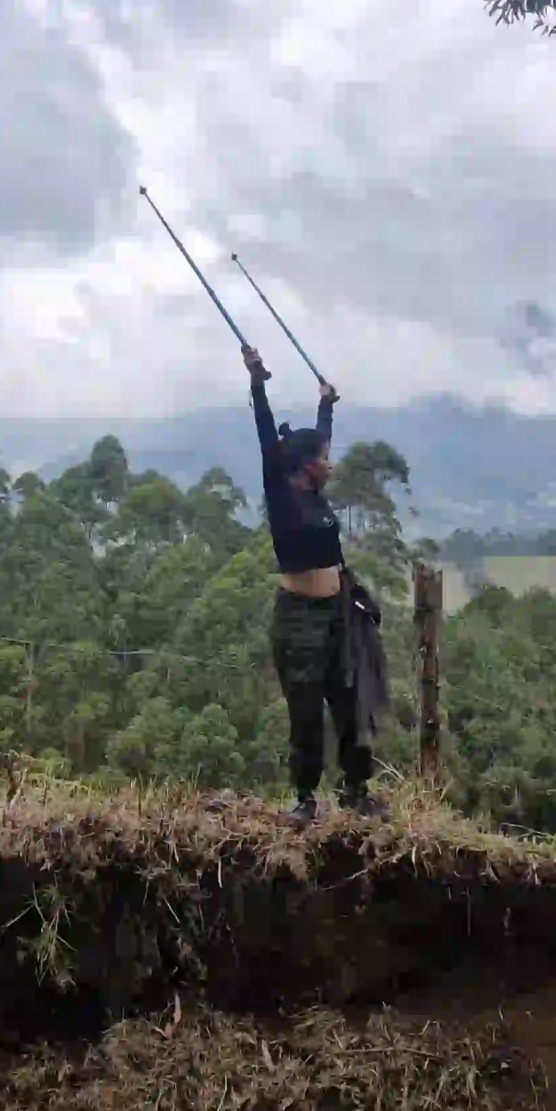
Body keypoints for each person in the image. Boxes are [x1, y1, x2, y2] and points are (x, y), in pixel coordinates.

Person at [244, 342, 384, 828]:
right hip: (299, 618)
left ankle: (356, 790)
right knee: (306, 711)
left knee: (350, 699)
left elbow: (317, 436)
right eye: (324, 457)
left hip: (337, 612)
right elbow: (267, 437)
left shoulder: (315, 491)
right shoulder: (283, 499)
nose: (331, 461)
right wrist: (257, 383)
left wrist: (326, 403)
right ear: (307, 465)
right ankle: (305, 799)